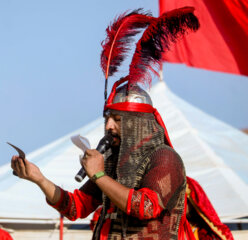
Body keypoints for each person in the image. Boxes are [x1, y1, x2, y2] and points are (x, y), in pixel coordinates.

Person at [11, 7, 200, 239]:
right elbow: (75, 208)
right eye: (107, 119)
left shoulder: (164, 158)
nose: (109, 126)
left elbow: (147, 207)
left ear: (139, 123)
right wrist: (38, 178)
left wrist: (99, 176)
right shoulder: (112, 163)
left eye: (118, 120)